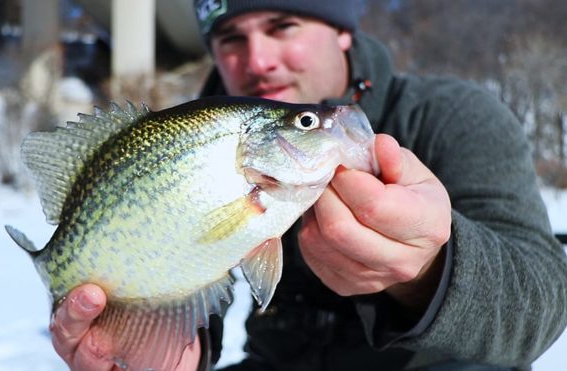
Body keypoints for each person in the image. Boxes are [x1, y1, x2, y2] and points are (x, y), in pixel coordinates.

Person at [49, 1, 567, 370]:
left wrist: (429, 271)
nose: (258, 61)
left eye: (283, 25)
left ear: (343, 30)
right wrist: (167, 350)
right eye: (231, 39)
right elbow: (193, 273)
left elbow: (543, 296)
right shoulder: (184, 141)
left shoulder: (452, 116)